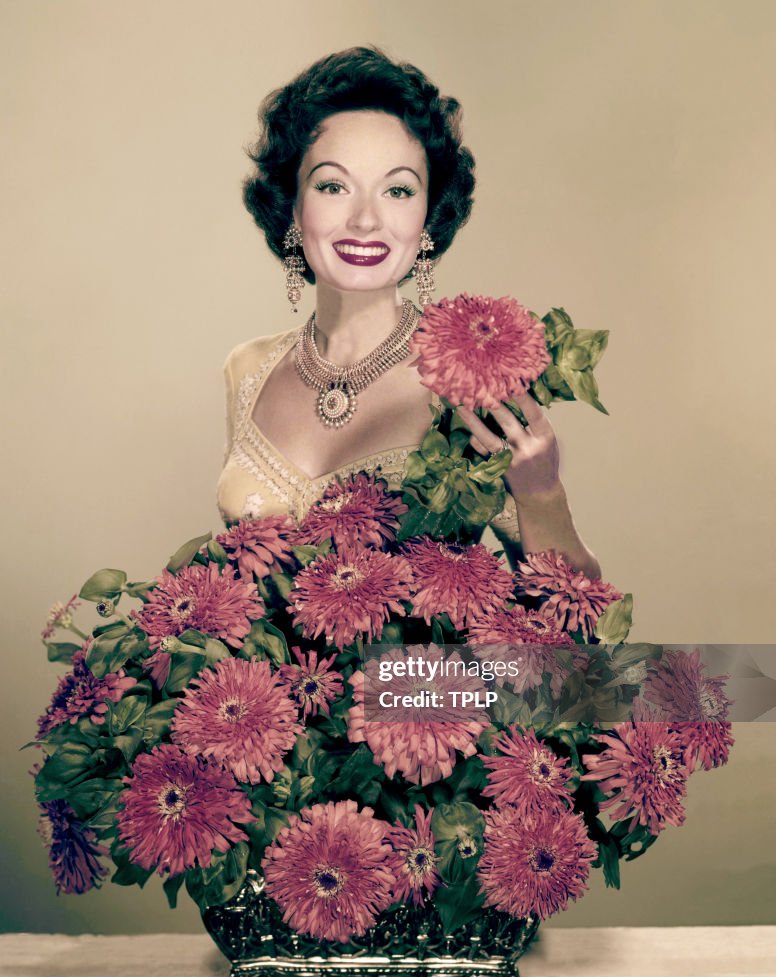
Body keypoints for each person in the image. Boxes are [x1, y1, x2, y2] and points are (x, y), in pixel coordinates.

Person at [217, 46, 601, 579]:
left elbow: (574, 616)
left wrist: (540, 493)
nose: (366, 219)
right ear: (292, 206)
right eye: (332, 186)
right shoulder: (247, 369)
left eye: (397, 190)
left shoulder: (471, 386)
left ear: (427, 218)